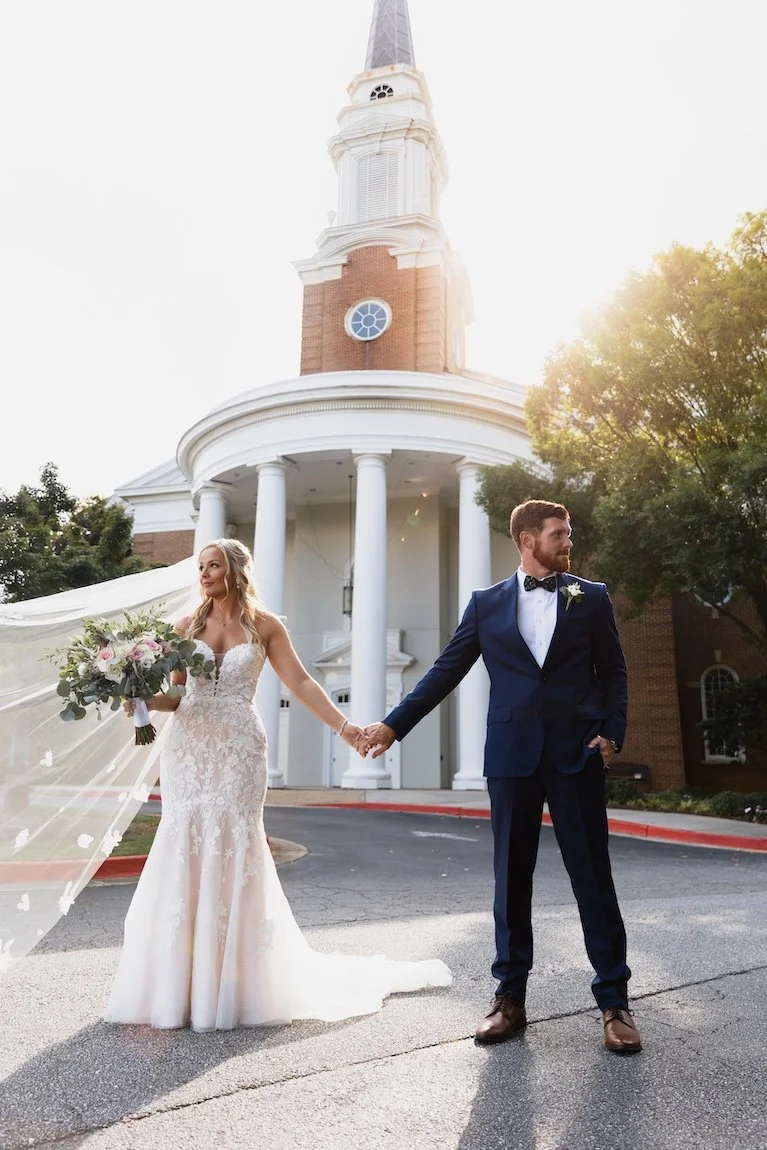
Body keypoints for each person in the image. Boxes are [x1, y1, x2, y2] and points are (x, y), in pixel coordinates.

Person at [108, 539, 450, 1031]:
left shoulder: (265, 626)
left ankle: (238, 980)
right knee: (185, 839)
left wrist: (345, 728)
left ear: (236, 571)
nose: (204, 573)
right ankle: (179, 982)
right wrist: (142, 701)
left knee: (235, 841)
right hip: (189, 747)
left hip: (240, 747)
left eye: (213, 565)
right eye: (201, 566)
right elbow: (179, 693)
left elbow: (302, 683)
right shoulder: (186, 627)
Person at [361, 500, 641, 1054]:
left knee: (593, 877)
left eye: (568, 533)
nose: (568, 542)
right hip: (511, 757)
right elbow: (446, 670)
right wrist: (393, 725)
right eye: (559, 534)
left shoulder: (591, 597)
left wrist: (612, 731)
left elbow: (614, 671)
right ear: (527, 539)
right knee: (510, 878)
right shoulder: (486, 604)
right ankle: (509, 997)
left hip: (577, 754)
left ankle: (614, 1002)